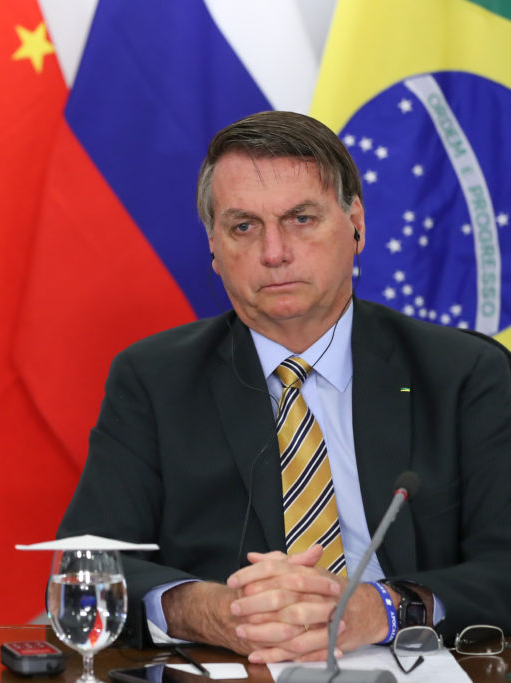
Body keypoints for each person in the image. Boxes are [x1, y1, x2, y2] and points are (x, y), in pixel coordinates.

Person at [58, 110, 511, 663]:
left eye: (301, 219)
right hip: (235, 667)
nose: (274, 253)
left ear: (356, 225)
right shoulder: (153, 379)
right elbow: (87, 567)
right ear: (214, 248)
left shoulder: (464, 373)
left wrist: (384, 608)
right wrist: (209, 610)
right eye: (244, 226)